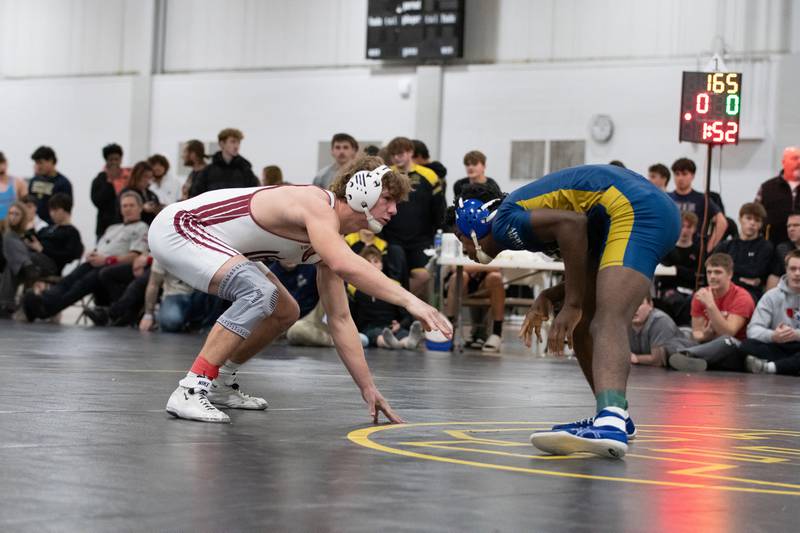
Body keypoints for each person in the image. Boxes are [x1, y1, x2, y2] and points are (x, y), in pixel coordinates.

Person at [147, 155, 451, 424]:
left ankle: (220, 382)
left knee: (285, 310)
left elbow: (341, 321)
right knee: (259, 293)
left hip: (213, 240)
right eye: (387, 199)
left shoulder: (330, 243)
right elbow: (346, 264)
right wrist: (413, 301)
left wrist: (368, 387)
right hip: (180, 226)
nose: (394, 210)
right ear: (362, 190)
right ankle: (191, 388)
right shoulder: (316, 205)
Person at [451, 164, 680, 458]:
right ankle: (616, 414)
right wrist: (551, 295)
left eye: (460, 238)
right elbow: (588, 267)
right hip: (634, 211)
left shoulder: (505, 223)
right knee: (586, 323)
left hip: (636, 209)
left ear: (475, 224)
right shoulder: (520, 215)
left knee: (608, 318)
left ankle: (610, 421)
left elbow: (571, 225)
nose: (463, 250)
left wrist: (571, 304)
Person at [23, 191, 148, 321]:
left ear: (140, 207)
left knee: (80, 285)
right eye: (124, 206)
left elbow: (135, 256)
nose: (127, 209)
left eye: (131, 205)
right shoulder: (112, 228)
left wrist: (107, 260)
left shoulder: (141, 228)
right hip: (95, 262)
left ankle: (46, 309)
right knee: (69, 280)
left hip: (113, 266)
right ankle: (42, 300)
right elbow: (100, 248)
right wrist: (92, 254)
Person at [380, 137, 446, 298]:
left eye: (400, 153)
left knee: (424, 276)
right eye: (394, 154)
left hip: (421, 240)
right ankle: (399, 312)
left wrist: (441, 233)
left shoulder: (429, 176)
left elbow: (439, 209)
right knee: (393, 278)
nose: (397, 157)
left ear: (410, 152)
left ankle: (402, 306)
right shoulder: (386, 175)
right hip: (392, 239)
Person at [667, 253, 755, 372]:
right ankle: (696, 359)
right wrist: (706, 333)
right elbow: (697, 333)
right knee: (674, 340)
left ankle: (687, 355)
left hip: (733, 349)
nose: (712, 276)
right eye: (709, 272)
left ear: (730, 274)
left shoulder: (742, 297)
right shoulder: (701, 295)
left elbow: (729, 332)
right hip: (706, 345)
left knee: (726, 341)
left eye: (718, 272)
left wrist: (711, 305)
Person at [349, 246, 424, 350]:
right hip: (371, 327)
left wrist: (399, 325)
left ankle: (408, 342)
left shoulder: (393, 287)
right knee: (377, 335)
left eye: (376, 261)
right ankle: (389, 343)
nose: (372, 265)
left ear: (381, 265)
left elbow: (406, 315)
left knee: (403, 334)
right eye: (368, 261)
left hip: (390, 326)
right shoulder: (356, 289)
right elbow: (353, 316)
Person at [742, 249, 800, 376]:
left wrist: (795, 334)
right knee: (747, 345)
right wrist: (773, 335)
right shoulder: (771, 296)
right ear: (786, 270)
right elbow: (753, 330)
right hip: (778, 345)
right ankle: (791, 366)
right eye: (793, 269)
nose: (797, 273)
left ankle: (770, 367)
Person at [712, 202, 774, 302]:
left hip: (749, 294)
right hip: (723, 290)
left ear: (761, 224)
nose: (752, 223)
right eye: (749, 218)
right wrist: (743, 278)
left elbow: (756, 271)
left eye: (757, 220)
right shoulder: (726, 245)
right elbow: (713, 268)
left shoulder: (765, 247)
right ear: (740, 219)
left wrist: (728, 270)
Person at [668, 157, 727, 253]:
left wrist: (710, 246)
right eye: (677, 174)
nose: (680, 178)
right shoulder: (667, 198)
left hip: (694, 251)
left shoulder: (702, 199)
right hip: (670, 248)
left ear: (692, 176)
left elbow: (722, 222)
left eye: (684, 174)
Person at [657, 211, 701, 325]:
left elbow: (699, 276)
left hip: (692, 291)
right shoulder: (667, 248)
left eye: (689, 227)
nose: (685, 231)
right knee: (676, 302)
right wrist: (684, 273)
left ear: (694, 229)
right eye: (682, 226)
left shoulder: (699, 251)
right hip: (670, 290)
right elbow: (662, 275)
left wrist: (677, 270)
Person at [188, 128, 259, 197]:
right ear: (222, 144)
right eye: (233, 142)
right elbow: (196, 196)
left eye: (238, 142)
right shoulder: (207, 172)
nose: (236, 146)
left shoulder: (245, 170)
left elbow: (254, 196)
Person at [629, 295, 695, 367]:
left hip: (687, 345)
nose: (634, 308)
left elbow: (658, 360)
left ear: (650, 305)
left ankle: (696, 359)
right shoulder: (623, 322)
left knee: (678, 355)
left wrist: (636, 358)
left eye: (639, 304)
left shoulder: (660, 320)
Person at [755, 146, 800, 246]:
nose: (799, 162)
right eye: (794, 159)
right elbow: (756, 214)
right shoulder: (767, 188)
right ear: (783, 162)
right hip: (772, 245)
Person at [91, 143, 129, 238]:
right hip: (104, 228)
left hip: (124, 226)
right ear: (106, 160)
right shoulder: (100, 178)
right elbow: (97, 201)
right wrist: (110, 182)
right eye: (111, 159)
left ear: (121, 159)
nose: (114, 162)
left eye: (116, 159)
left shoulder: (128, 177)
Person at [28, 146, 72, 225]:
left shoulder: (63, 183)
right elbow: (29, 202)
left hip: (53, 227)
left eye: (40, 162)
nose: (38, 166)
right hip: (34, 225)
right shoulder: (34, 180)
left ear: (51, 161)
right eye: (36, 163)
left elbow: (65, 209)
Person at [767, 211, 800, 290]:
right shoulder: (782, 249)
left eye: (796, 225)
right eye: (788, 226)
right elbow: (774, 276)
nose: (791, 229)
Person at [0, 151, 28, 230]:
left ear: (6, 164)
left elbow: (27, 205)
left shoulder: (18, 182)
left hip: (12, 225)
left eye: (2, 173)